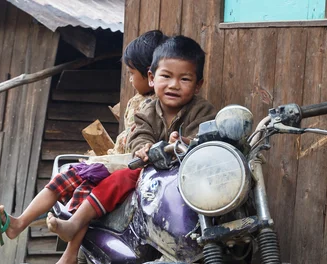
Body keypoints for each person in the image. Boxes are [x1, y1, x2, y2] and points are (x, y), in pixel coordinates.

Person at [0, 30, 169, 264]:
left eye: (132, 74)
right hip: (113, 162)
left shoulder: (156, 106)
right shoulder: (137, 101)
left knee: (85, 192)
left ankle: (68, 257)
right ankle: (19, 223)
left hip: (126, 169)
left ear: (149, 75)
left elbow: (139, 145)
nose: (130, 80)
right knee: (65, 176)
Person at [47, 35, 217, 245]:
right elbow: (140, 134)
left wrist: (185, 140)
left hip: (184, 176)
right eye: (166, 76)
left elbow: (202, 137)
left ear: (198, 85)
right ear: (152, 78)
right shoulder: (146, 110)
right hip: (148, 172)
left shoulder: (202, 110)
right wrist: (143, 147)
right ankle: (74, 224)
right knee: (118, 179)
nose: (174, 85)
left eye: (185, 79)